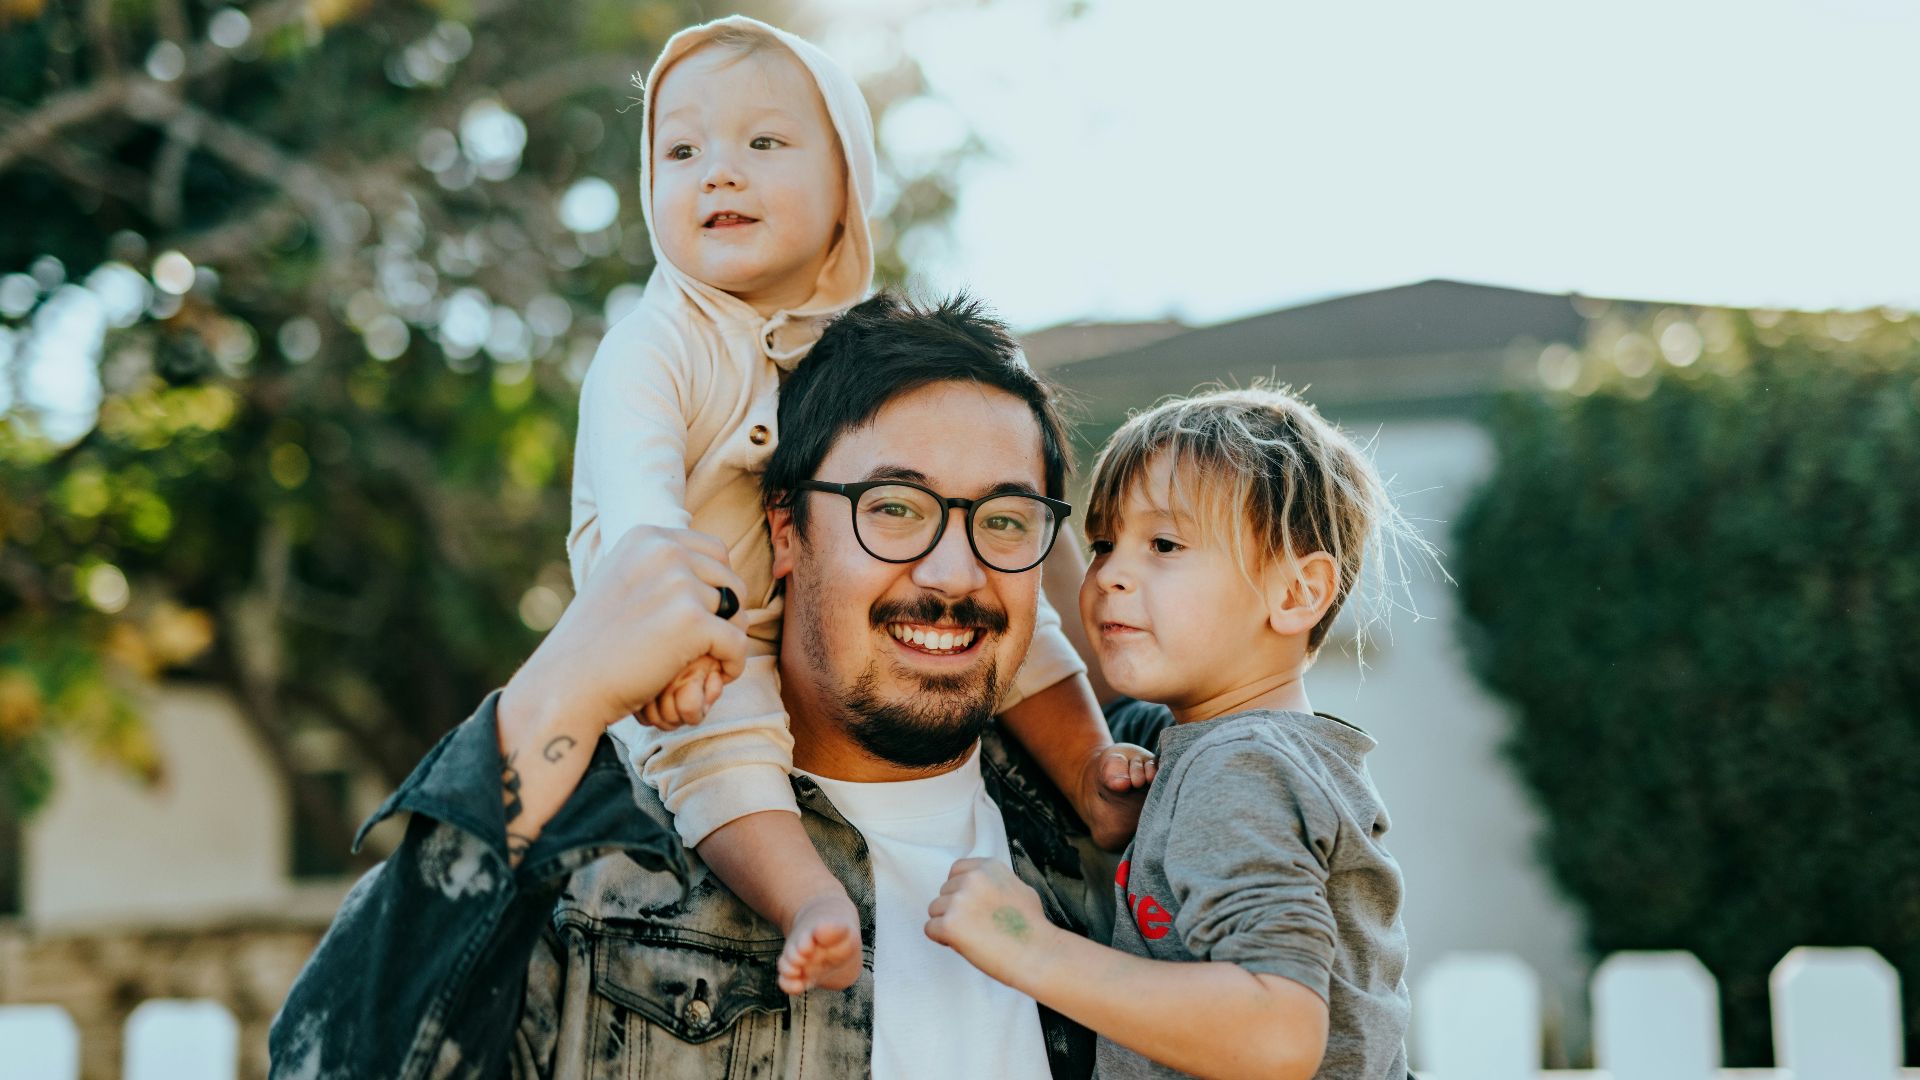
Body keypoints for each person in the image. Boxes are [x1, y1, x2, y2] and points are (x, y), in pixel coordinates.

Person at [269, 291, 1114, 1079]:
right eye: (894, 507)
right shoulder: (599, 874)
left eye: (1006, 520)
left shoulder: (1132, 841)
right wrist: (564, 684)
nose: (955, 572)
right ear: (785, 529)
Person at [566, 15, 1150, 995]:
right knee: (718, 751)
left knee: (1018, 623)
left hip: (776, 615)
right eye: (681, 152)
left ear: (848, 187)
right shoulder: (654, 346)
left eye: (763, 143)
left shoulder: (859, 348)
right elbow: (640, 518)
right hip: (691, 636)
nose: (718, 173)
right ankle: (808, 899)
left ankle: (1092, 773)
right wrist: (672, 644)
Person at [927, 387, 1423, 1079]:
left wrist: (1027, 947)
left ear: (1297, 593)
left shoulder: (1239, 767)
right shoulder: (1238, 750)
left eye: (1164, 544)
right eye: (1103, 544)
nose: (1110, 575)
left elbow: (1278, 1031)